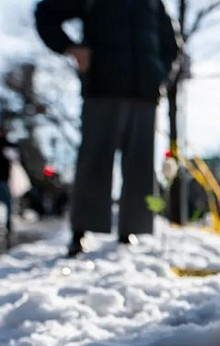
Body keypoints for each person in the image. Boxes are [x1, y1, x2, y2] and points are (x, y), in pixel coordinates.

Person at [34, 0, 180, 257]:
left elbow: (172, 44)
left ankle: (131, 230)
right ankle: (81, 230)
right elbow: (46, 13)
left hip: (145, 93)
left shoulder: (154, 3)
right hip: (102, 87)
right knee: (94, 161)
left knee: (140, 166)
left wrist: (160, 75)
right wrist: (70, 47)